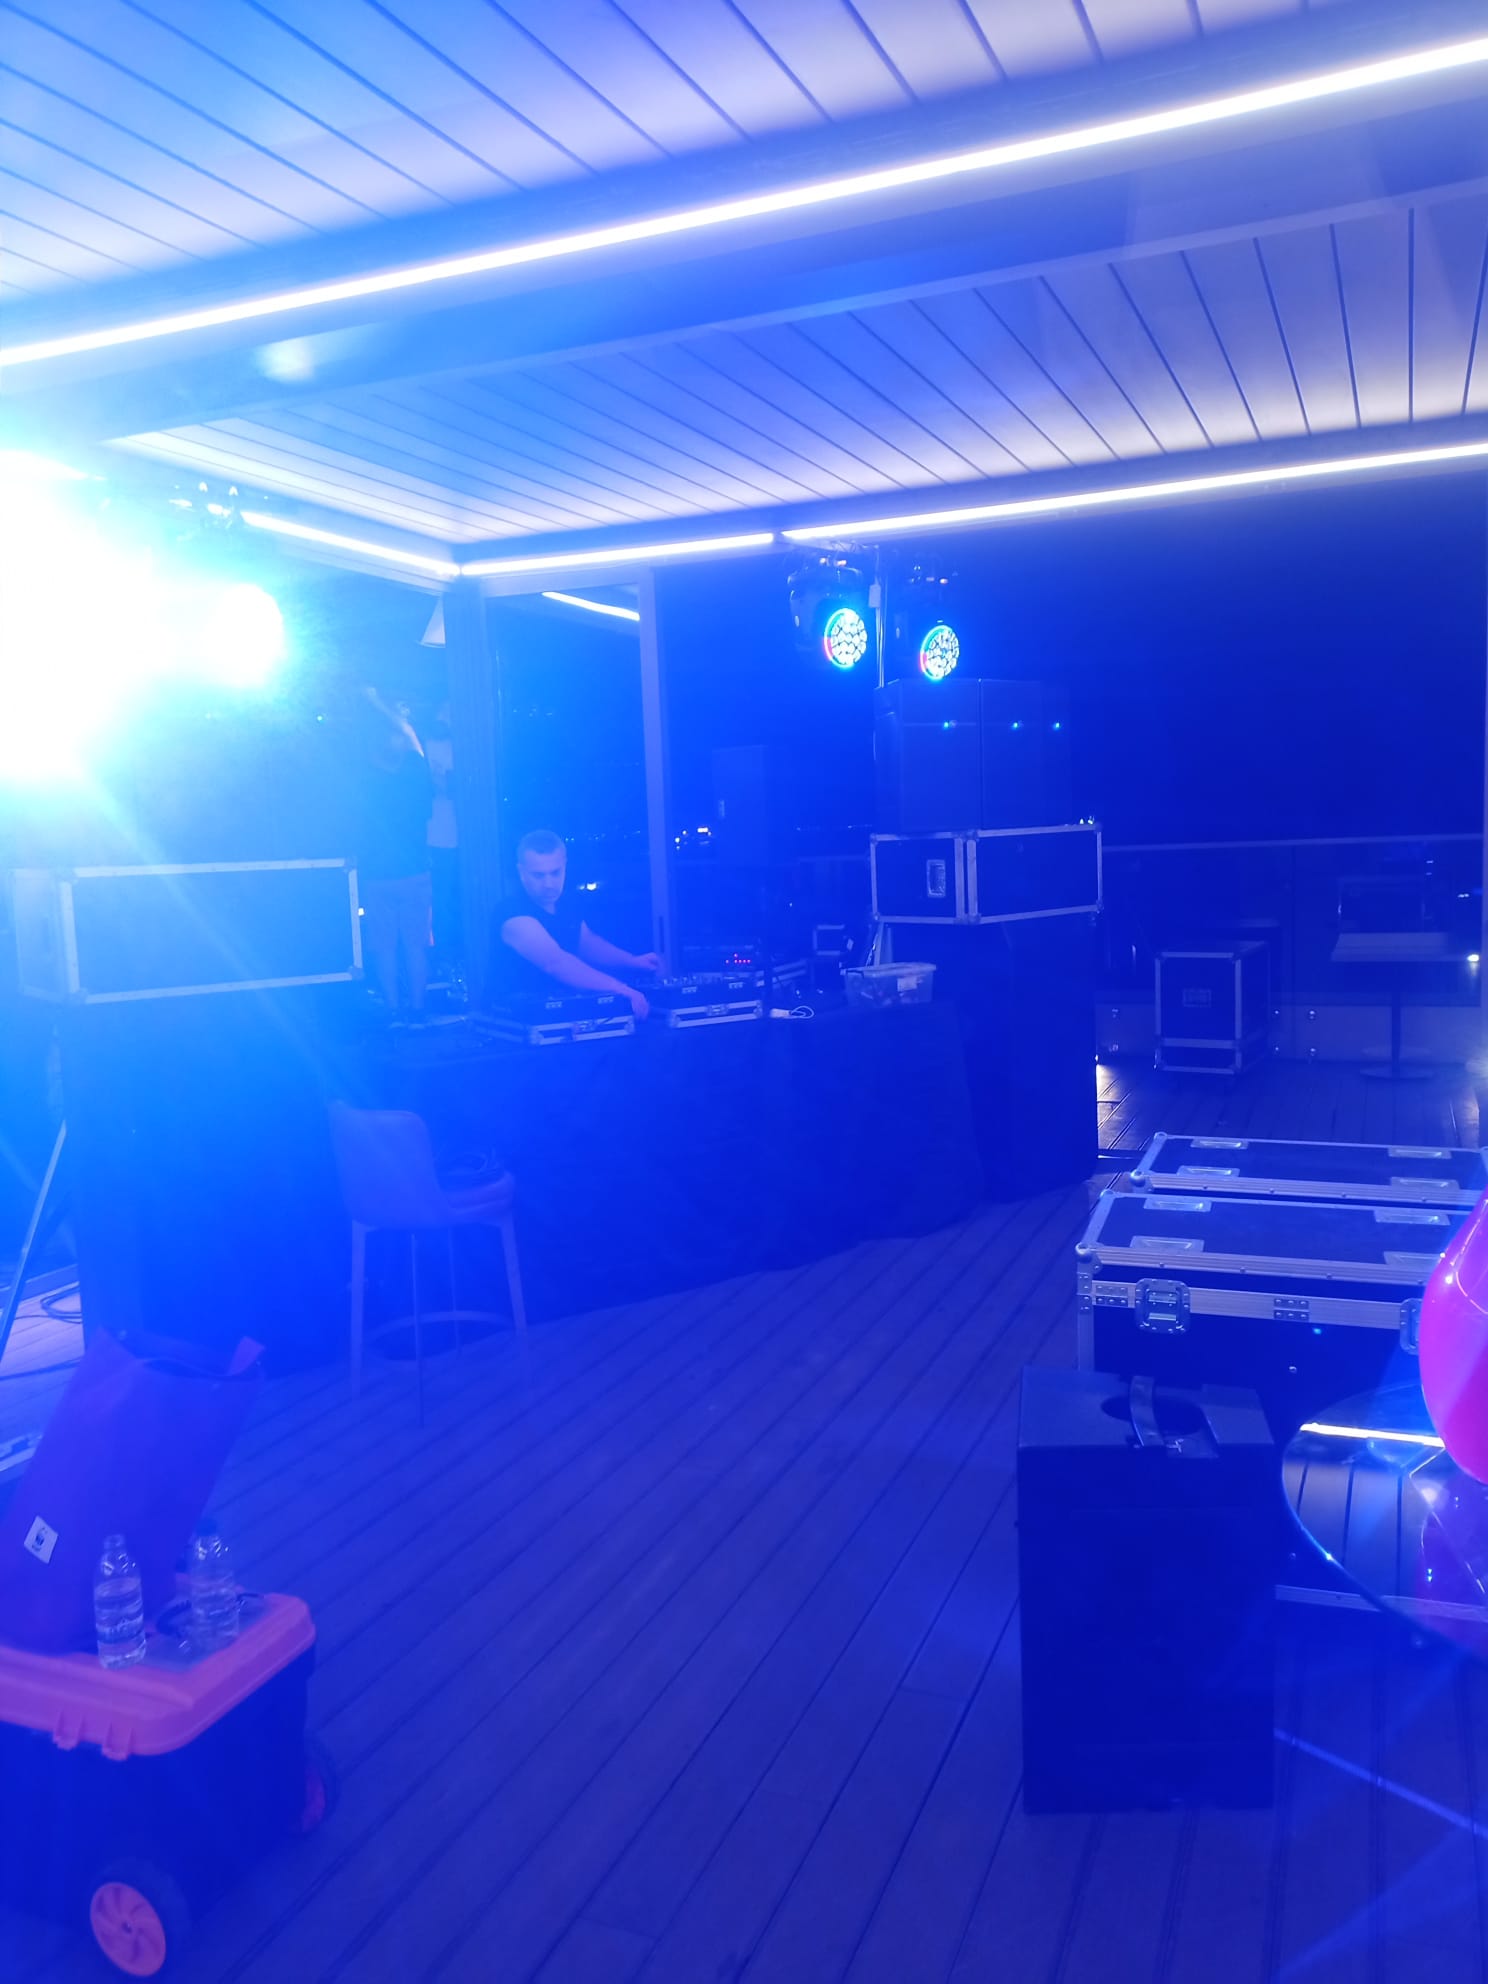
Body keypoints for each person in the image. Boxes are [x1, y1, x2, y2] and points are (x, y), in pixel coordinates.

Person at [493, 829, 658, 1020]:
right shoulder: (511, 913)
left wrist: (633, 962)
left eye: (555, 873)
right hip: (516, 1023)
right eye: (538, 875)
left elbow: (586, 943)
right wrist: (620, 989)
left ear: (565, 865)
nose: (548, 883)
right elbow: (555, 962)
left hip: (561, 1016)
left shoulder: (566, 903)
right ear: (521, 872)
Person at [357, 689, 434, 1015]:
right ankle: (417, 1012)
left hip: (377, 876)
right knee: (416, 947)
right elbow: (410, 736)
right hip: (415, 872)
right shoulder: (415, 773)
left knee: (384, 949)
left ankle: (392, 1013)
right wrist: (382, 704)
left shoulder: (367, 778)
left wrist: (370, 703)